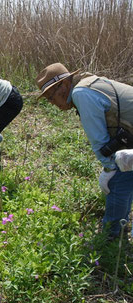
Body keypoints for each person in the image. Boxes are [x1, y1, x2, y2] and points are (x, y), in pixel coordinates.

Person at [36, 63, 133, 239]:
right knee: (124, 172)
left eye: (51, 97)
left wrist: (109, 169)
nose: (52, 103)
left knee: (117, 180)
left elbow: (99, 141)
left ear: (64, 85)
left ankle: (111, 236)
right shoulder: (88, 84)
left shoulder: (82, 94)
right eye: (48, 100)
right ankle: (120, 226)